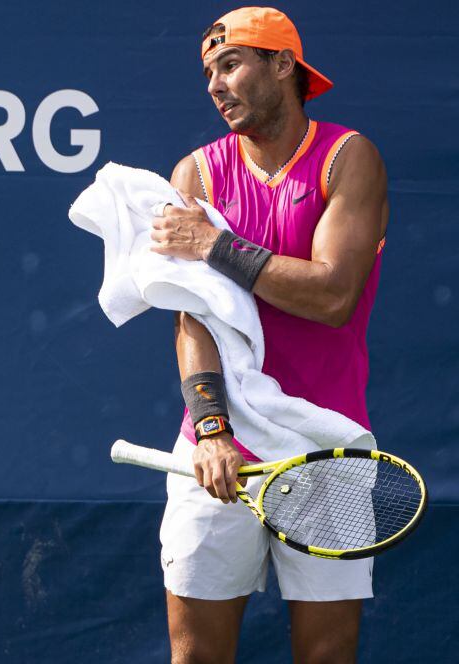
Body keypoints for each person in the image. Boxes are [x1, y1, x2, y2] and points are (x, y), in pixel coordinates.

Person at [149, 8, 388, 664]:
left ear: (283, 65)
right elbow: (190, 319)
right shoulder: (194, 174)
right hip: (218, 447)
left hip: (328, 450)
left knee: (327, 658)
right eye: (208, 72)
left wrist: (215, 246)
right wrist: (212, 430)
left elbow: (333, 295)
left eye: (230, 65)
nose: (214, 85)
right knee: (195, 657)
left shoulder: (348, 157)